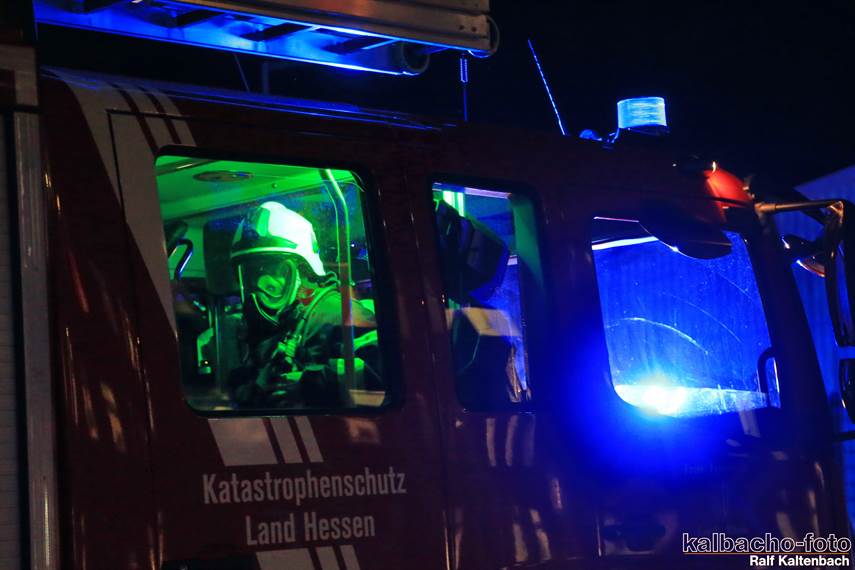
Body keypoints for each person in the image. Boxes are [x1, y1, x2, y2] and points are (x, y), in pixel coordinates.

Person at [227, 201, 380, 409]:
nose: (261, 284)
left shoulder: (340, 314)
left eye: (273, 269)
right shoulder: (274, 323)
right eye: (251, 272)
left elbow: (383, 379)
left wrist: (310, 385)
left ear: (303, 269)